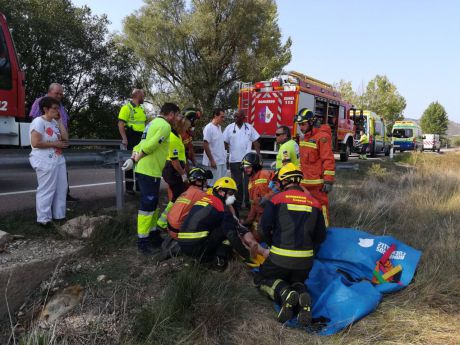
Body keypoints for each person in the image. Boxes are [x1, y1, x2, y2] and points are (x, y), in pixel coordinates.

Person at [255, 163, 327, 326]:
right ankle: (301, 294)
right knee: (297, 280)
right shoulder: (315, 203)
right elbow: (321, 236)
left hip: (280, 258)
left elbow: (264, 228)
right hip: (305, 263)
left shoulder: (276, 200)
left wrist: (272, 244)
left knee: (261, 278)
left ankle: (285, 293)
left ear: (282, 182)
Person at [129, 102, 179, 255]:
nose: (177, 119)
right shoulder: (165, 126)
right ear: (170, 114)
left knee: (152, 205)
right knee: (147, 206)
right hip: (149, 170)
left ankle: (152, 234)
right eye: (177, 115)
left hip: (149, 170)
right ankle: (143, 242)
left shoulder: (151, 123)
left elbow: (139, 144)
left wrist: (133, 157)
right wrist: (136, 159)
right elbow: (150, 145)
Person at [177, 177, 253, 270]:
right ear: (221, 192)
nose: (233, 197)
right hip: (196, 247)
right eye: (230, 193)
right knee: (228, 234)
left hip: (182, 243)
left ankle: (202, 256)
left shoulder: (206, 199)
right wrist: (247, 255)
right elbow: (232, 236)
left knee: (220, 228)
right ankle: (218, 260)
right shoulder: (221, 209)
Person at [29, 83, 77, 202]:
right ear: (50, 92)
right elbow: (36, 120)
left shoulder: (60, 106)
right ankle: (44, 216)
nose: (59, 96)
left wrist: (61, 132)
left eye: (61, 94)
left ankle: (64, 197)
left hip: (58, 143)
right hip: (46, 145)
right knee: (48, 184)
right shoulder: (41, 102)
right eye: (57, 93)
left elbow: (63, 121)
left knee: (61, 177)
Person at [29, 97, 69, 227]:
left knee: (61, 188)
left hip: (58, 159)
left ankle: (59, 215)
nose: (57, 111)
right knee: (46, 189)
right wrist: (55, 143)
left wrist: (60, 121)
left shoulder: (54, 122)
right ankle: (44, 219)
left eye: (58, 108)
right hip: (44, 160)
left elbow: (65, 138)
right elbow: (35, 143)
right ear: (45, 109)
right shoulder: (38, 122)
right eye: (54, 108)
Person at [294, 108, 335, 227]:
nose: (301, 128)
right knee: (306, 212)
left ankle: (324, 234)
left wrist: (328, 181)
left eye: (303, 124)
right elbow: (302, 161)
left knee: (321, 212)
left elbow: (328, 159)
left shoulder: (322, 137)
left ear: (311, 123)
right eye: (299, 125)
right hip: (303, 184)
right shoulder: (303, 138)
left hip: (317, 185)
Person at [156, 114, 190, 231]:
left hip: (175, 169)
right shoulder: (173, 138)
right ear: (180, 127)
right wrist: (183, 174)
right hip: (173, 170)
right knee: (177, 198)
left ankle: (167, 221)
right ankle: (163, 222)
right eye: (185, 127)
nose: (186, 130)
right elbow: (175, 161)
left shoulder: (177, 136)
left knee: (177, 196)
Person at [223, 109, 261, 209]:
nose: (235, 118)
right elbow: (224, 143)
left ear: (243, 118)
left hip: (248, 161)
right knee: (237, 183)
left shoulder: (249, 128)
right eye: (235, 116)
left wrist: (259, 155)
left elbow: (256, 141)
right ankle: (239, 204)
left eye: (238, 116)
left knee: (249, 183)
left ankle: (249, 203)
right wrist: (224, 156)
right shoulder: (229, 128)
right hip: (234, 161)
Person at [166, 167, 211, 238]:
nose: (206, 183)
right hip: (179, 232)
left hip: (170, 227)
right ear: (198, 181)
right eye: (205, 181)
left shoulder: (188, 191)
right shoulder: (200, 194)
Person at [117, 89, 147, 194]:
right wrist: (124, 138)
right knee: (130, 161)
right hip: (131, 137)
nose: (144, 98)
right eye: (143, 96)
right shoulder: (126, 108)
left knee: (141, 162)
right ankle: (129, 188)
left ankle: (139, 187)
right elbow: (120, 124)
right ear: (137, 95)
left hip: (142, 138)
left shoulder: (142, 109)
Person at [240, 152, 274, 237]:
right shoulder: (251, 181)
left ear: (255, 166)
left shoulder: (264, 174)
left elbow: (276, 191)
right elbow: (253, 204)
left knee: (258, 234)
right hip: (260, 216)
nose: (246, 170)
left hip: (269, 215)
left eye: (248, 167)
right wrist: (249, 220)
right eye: (245, 168)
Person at [202, 108, 227, 186]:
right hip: (214, 162)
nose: (223, 119)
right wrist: (212, 160)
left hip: (221, 161)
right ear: (215, 116)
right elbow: (205, 145)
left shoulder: (219, 127)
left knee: (221, 185)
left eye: (224, 117)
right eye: (221, 117)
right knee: (213, 185)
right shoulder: (209, 128)